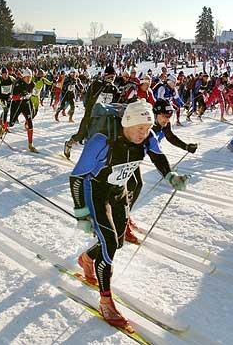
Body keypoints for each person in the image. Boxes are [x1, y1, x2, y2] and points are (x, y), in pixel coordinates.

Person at [69, 100, 188, 329]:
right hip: (96, 192)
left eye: (147, 128)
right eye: (139, 128)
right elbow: (76, 177)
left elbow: (158, 157)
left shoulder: (147, 137)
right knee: (110, 244)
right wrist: (81, 213)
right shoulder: (101, 141)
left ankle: (87, 258)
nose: (143, 133)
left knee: (118, 240)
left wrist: (171, 177)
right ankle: (106, 301)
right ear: (127, 123)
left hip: (118, 192)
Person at [64, 65, 120, 158]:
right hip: (91, 115)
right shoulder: (97, 84)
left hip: (104, 118)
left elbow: (115, 103)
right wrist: (88, 110)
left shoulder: (114, 89)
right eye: (110, 77)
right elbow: (87, 96)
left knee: (99, 138)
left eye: (113, 77)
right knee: (81, 135)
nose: (111, 79)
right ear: (105, 76)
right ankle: (69, 144)